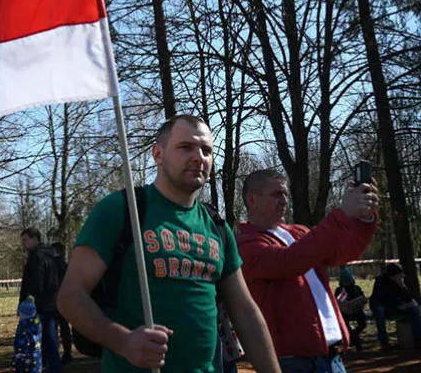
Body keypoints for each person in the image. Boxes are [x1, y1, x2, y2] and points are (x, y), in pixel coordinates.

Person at [58, 115, 279, 372]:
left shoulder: (217, 226)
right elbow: (70, 296)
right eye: (185, 147)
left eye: (206, 150)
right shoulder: (122, 209)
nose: (199, 157)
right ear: (158, 154)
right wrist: (124, 341)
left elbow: (245, 312)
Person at [237, 168, 379, 373]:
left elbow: (342, 253)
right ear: (252, 200)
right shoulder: (246, 246)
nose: (284, 200)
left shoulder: (299, 232)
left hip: (332, 357)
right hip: (293, 363)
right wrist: (342, 214)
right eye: (276, 194)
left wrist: (363, 219)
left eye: (285, 194)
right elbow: (291, 261)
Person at [19, 227, 62, 373]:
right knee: (51, 341)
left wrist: (27, 305)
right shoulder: (50, 256)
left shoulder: (36, 257)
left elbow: (35, 284)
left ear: (33, 238)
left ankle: (39, 367)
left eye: (25, 240)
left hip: (38, 306)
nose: (23, 244)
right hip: (52, 304)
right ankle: (54, 367)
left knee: (35, 342)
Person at [369, 263, 421, 350]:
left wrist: (403, 286)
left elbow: (408, 299)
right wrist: (398, 306)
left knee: (414, 309)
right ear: (392, 276)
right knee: (380, 312)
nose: (401, 277)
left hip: (396, 305)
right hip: (381, 305)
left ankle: (418, 340)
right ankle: (384, 341)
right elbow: (382, 300)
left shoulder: (400, 282)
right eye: (399, 275)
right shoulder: (381, 281)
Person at [334, 268, 367, 352]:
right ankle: (356, 340)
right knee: (344, 323)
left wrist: (359, 303)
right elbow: (336, 304)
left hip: (357, 311)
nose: (347, 284)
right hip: (344, 313)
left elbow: (363, 299)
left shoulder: (357, 288)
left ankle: (353, 336)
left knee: (362, 323)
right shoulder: (339, 290)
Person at [51, 242, 72, 365]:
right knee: (65, 328)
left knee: (53, 328)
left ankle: (54, 354)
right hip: (66, 301)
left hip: (54, 300)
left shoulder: (52, 265)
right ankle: (67, 353)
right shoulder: (67, 266)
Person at [11, 295, 43, 373]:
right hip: (37, 360)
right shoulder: (37, 325)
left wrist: (16, 360)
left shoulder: (24, 327)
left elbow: (22, 345)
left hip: (26, 363)